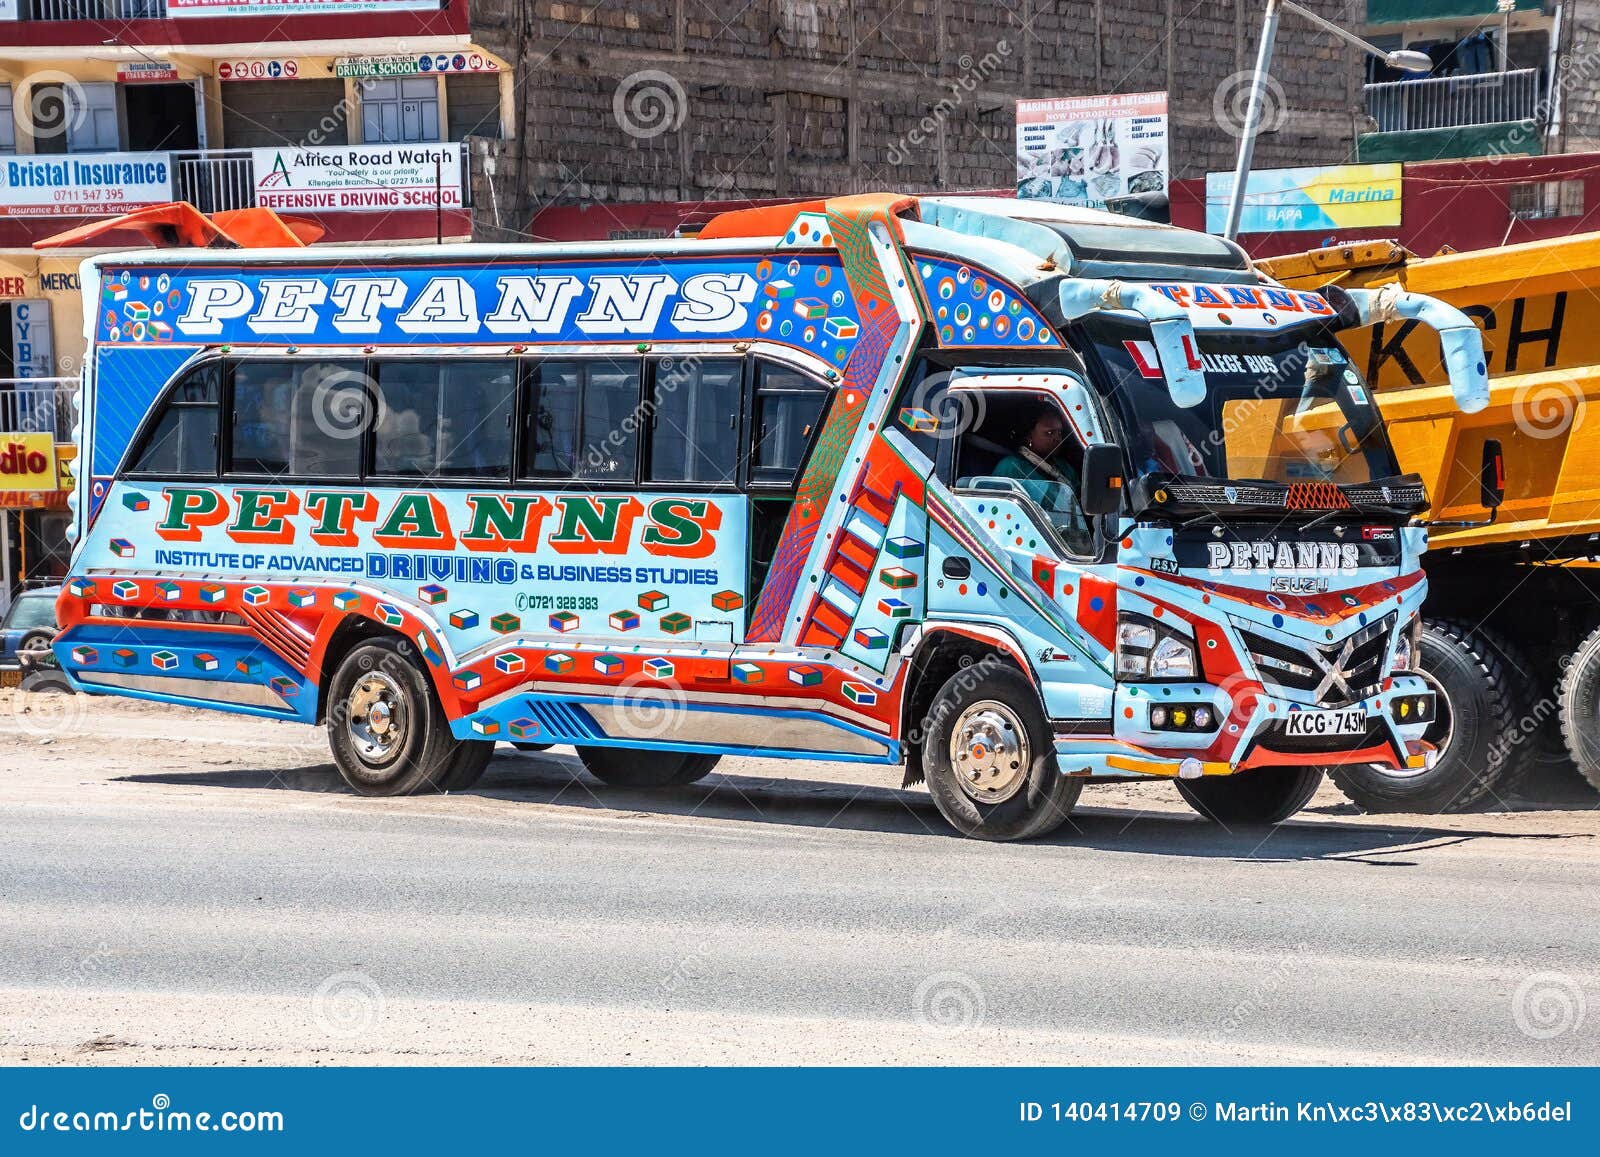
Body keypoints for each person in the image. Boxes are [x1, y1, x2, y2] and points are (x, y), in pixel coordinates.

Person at [992, 400, 1093, 552]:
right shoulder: (1010, 467)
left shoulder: (1063, 466)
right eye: (1049, 433)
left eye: (1060, 433)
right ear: (1028, 435)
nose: (1057, 439)